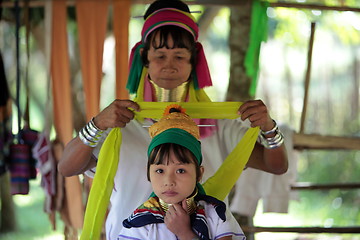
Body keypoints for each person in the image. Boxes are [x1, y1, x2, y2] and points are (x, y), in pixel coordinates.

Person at [58, 0, 288, 239]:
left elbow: (277, 166)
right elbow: (66, 167)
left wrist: (269, 128)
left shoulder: (218, 127)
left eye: (179, 56)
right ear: (145, 58)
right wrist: (97, 124)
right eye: (159, 56)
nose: (169, 66)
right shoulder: (121, 124)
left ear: (194, 62)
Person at [118, 105, 245, 240]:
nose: (169, 181)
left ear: (199, 174)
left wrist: (185, 234)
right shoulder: (139, 224)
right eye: (160, 170)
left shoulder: (216, 213)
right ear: (148, 173)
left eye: (180, 170)